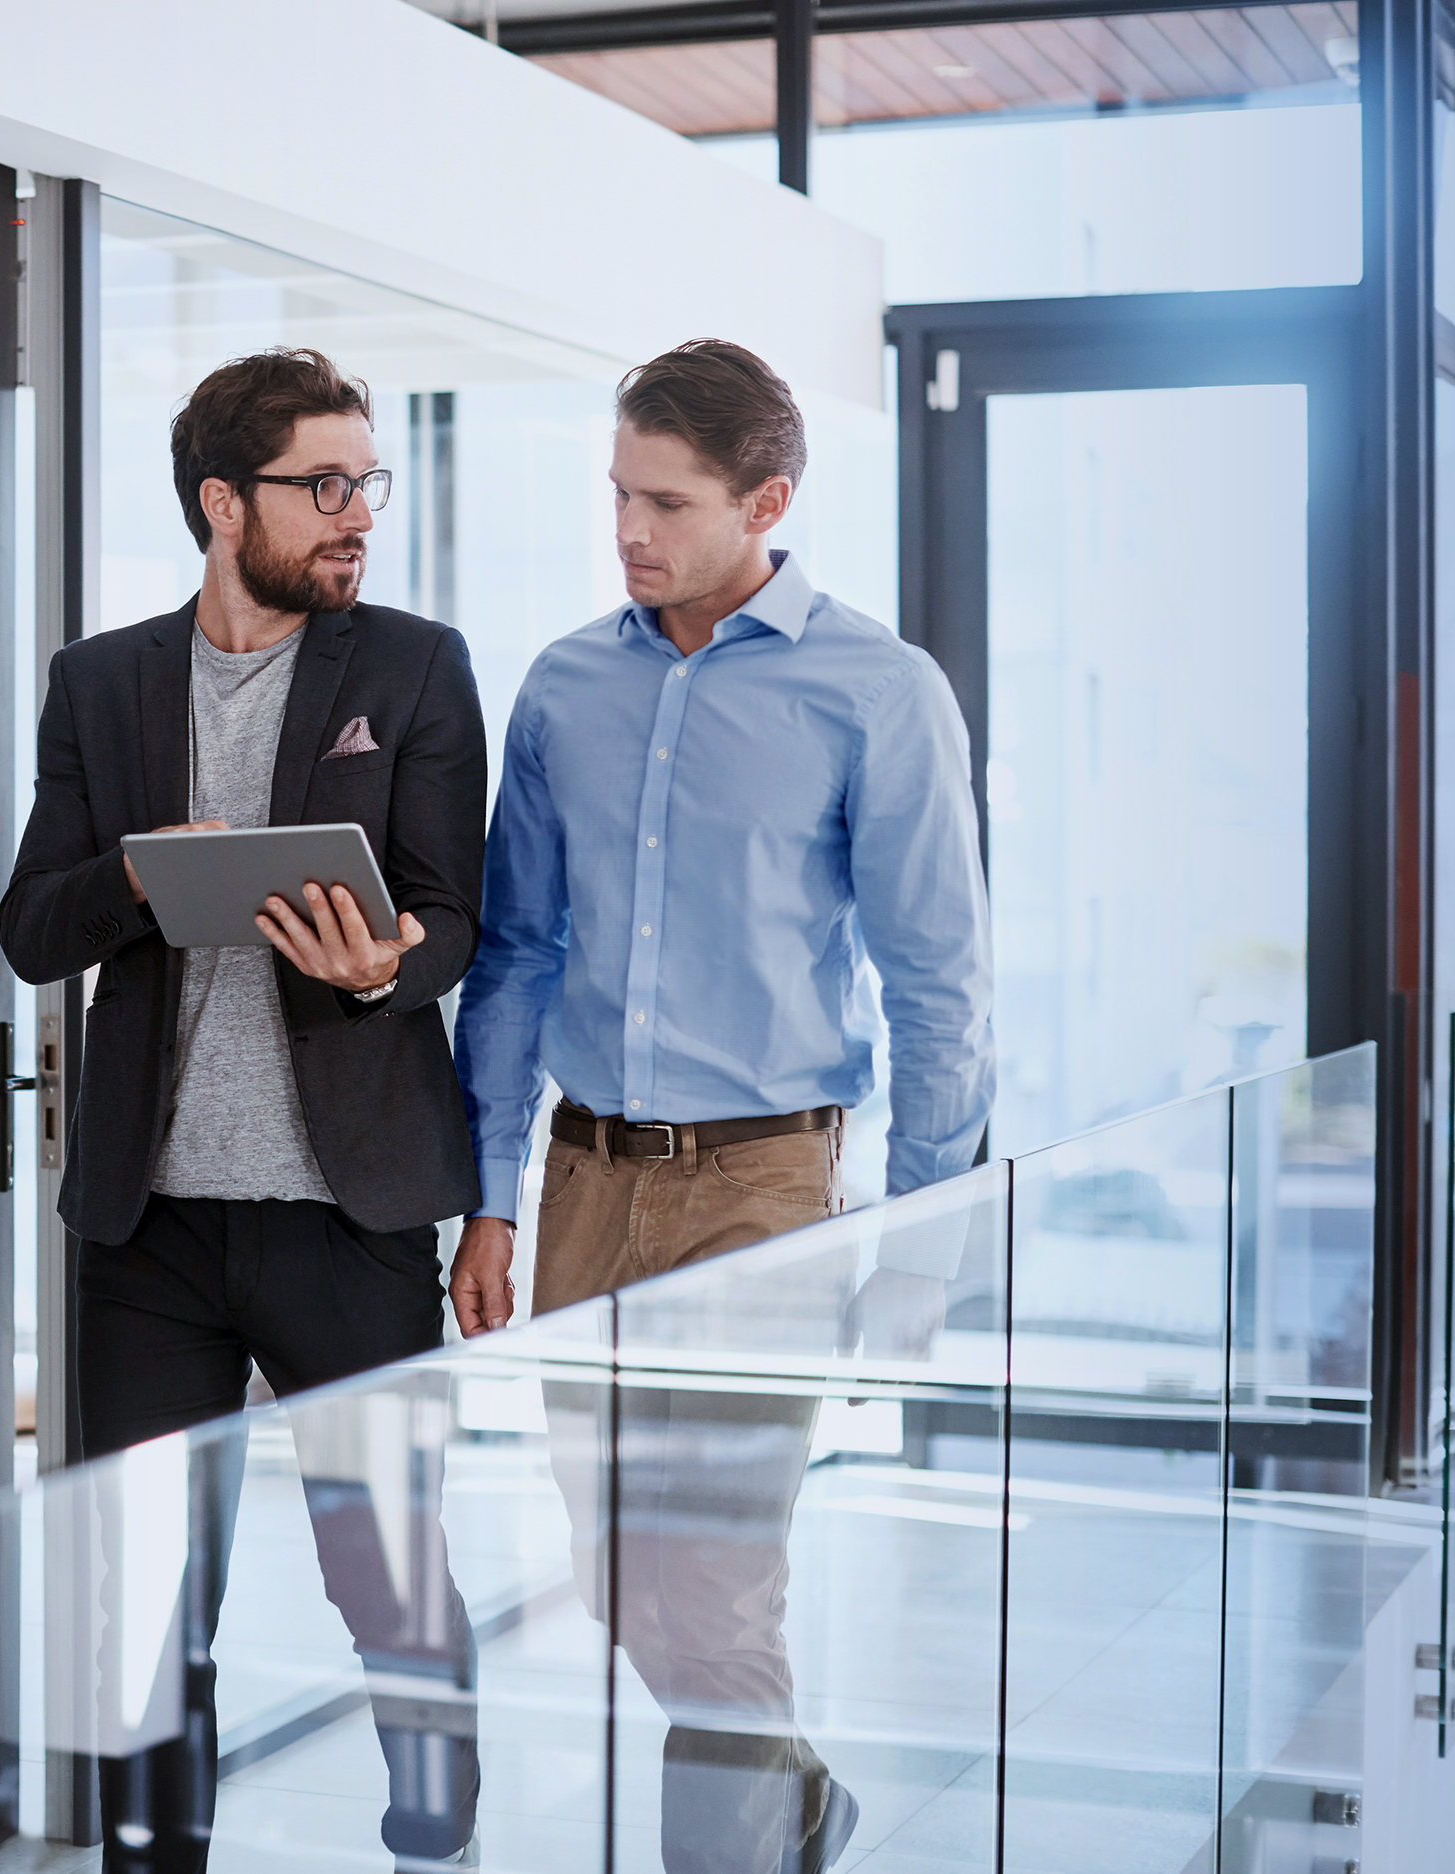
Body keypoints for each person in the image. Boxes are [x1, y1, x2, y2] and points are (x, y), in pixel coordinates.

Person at [451, 339, 993, 1874]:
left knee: (723, 1575)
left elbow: (938, 983)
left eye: (667, 502)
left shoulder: (877, 692)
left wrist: (920, 1245)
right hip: (586, 1182)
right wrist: (492, 1193)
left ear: (769, 500)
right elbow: (515, 953)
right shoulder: (565, 682)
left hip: (766, 1190)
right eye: (619, 493)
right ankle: (794, 1793)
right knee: (618, 1575)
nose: (631, 529)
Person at [0, 346, 488, 1873]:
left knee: (390, 1580)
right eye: (322, 486)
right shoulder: (102, 681)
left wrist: (386, 963)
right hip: (149, 1226)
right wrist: (144, 876)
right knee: (144, 1600)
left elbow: (454, 914)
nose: (356, 514)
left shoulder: (412, 665)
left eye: (367, 483)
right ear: (225, 503)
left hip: (350, 1211)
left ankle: (435, 1843)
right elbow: (31, 928)